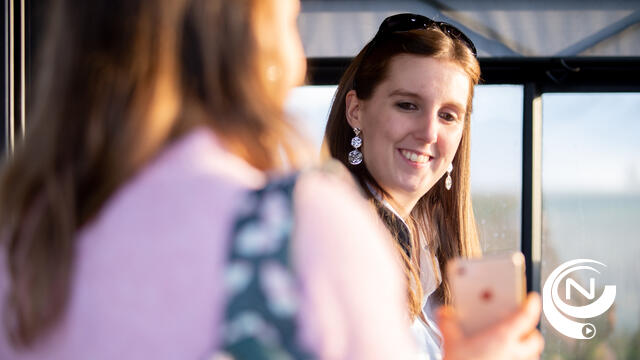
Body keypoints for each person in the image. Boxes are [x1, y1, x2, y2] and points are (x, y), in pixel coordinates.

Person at [0, 0, 418, 358]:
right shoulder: (302, 233)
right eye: (288, 20)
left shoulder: (19, 236)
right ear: (249, 34)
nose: (298, 64)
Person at [324, 13, 544, 359]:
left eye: (448, 115)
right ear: (355, 110)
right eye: (407, 105)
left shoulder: (437, 258)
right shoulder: (329, 240)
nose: (428, 133)